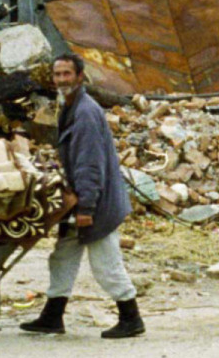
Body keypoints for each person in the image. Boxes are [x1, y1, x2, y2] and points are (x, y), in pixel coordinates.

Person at [20, 54, 142, 338]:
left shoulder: (85, 112)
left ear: (79, 76)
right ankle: (52, 317)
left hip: (96, 203)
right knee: (62, 256)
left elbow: (89, 165)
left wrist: (86, 208)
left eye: (67, 74)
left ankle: (131, 317)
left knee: (105, 265)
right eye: (57, 74)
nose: (61, 79)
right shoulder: (71, 106)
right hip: (81, 199)